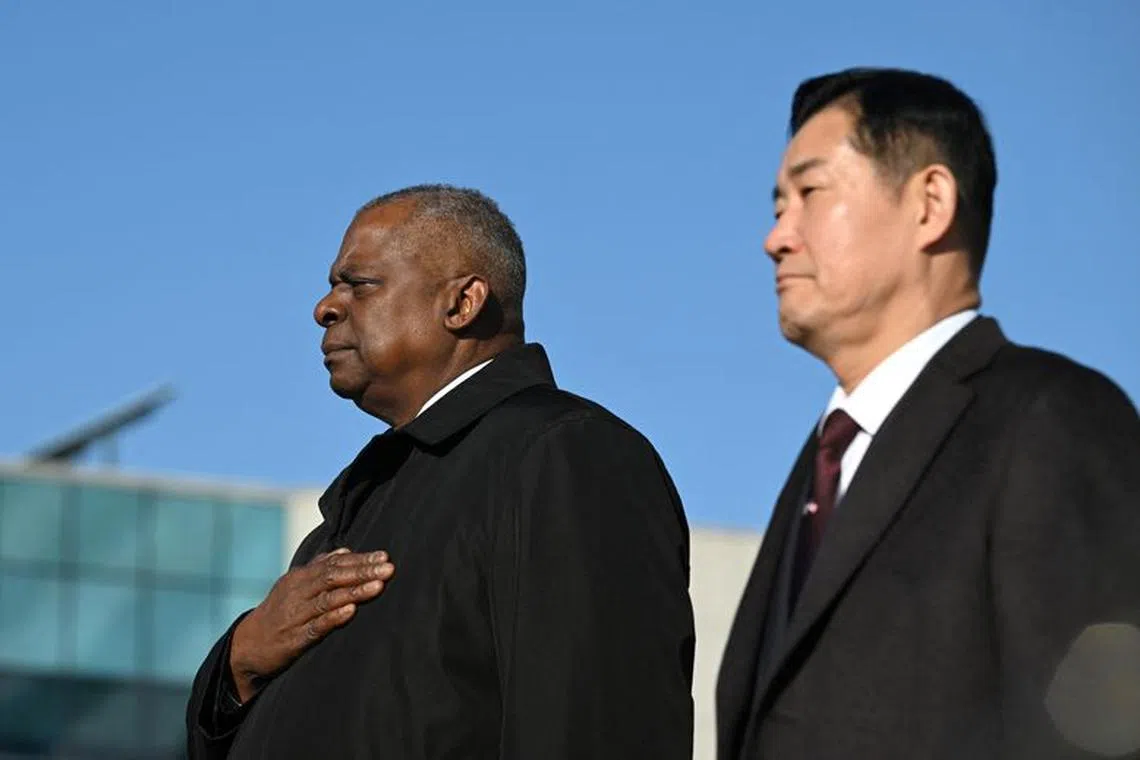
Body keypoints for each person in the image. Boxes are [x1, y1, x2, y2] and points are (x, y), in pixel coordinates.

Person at [716, 68, 1140, 760]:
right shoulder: (823, 468)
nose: (777, 237)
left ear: (930, 202)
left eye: (809, 193)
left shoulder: (1051, 420)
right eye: (776, 207)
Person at [186, 185, 695, 759]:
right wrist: (241, 660)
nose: (324, 307)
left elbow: (598, 726)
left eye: (359, 284)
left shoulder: (563, 453)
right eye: (333, 285)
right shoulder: (371, 495)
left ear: (462, 303)